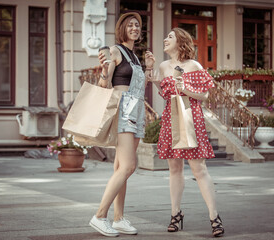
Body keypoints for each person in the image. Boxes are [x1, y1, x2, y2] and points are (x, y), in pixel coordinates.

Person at [150, 27, 224, 237]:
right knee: (174, 169)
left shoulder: (194, 65)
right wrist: (152, 74)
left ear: (180, 41)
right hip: (170, 118)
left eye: (170, 37)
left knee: (199, 169)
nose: (165, 39)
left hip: (192, 118)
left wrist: (185, 90)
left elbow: (205, 96)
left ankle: (214, 216)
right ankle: (176, 214)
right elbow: (163, 92)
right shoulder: (164, 66)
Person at [89, 12, 155, 237]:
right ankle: (99, 216)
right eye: (130, 25)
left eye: (138, 25)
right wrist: (105, 71)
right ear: (122, 29)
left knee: (121, 168)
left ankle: (118, 219)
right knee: (128, 166)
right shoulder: (115, 50)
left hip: (137, 110)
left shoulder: (135, 56)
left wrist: (148, 68)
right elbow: (103, 83)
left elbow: (140, 85)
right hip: (123, 109)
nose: (135, 28)